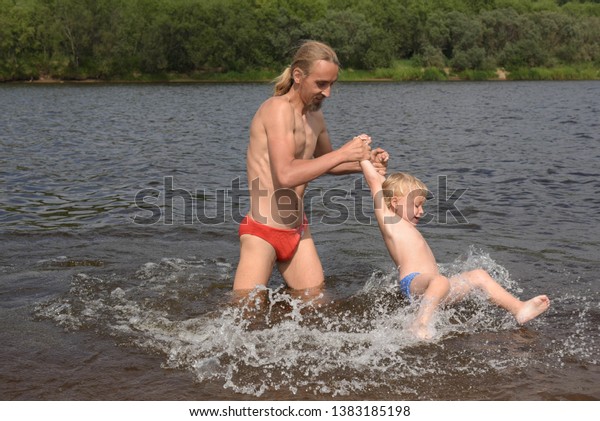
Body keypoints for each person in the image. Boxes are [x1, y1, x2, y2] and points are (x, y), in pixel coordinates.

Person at [233, 40, 388, 293]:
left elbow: (327, 164)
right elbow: (285, 175)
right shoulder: (276, 110)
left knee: (316, 305)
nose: (327, 93)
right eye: (321, 84)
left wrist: (366, 164)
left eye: (331, 84)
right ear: (298, 76)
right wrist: (343, 153)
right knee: (244, 315)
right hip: (263, 232)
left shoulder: (315, 117)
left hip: (297, 230)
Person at [360, 157, 550, 340]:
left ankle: (518, 309)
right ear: (394, 203)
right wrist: (363, 157)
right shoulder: (390, 221)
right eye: (416, 205)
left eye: (422, 206)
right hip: (413, 284)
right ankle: (420, 323)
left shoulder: (400, 219)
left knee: (479, 275)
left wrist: (379, 162)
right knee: (440, 280)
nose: (421, 211)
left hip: (434, 288)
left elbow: (382, 182)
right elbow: (375, 183)